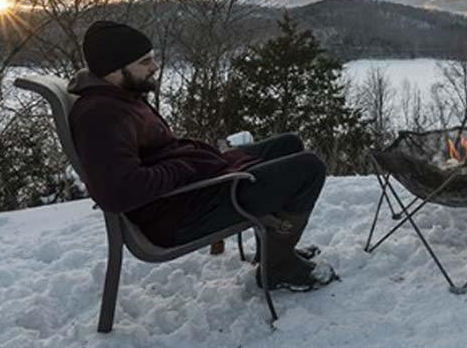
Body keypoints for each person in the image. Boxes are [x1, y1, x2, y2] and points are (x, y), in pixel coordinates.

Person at [67, 20, 331, 290]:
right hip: (178, 215)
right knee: (308, 169)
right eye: (145, 62)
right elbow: (118, 192)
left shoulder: (121, 96)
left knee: (288, 144)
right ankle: (278, 269)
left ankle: (275, 251)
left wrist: (194, 162)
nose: (154, 67)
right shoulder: (101, 116)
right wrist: (187, 167)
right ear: (114, 69)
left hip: (188, 193)